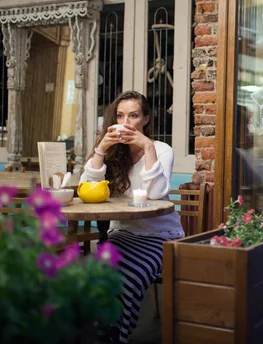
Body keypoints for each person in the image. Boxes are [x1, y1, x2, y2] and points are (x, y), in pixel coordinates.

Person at [79, 91, 184, 343]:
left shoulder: (161, 149)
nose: (126, 123)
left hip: (159, 237)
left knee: (126, 278)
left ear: (145, 119)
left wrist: (146, 145)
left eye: (133, 116)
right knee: (96, 274)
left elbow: (157, 193)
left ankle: (115, 335)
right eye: (120, 116)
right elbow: (85, 188)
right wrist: (102, 148)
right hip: (122, 233)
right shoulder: (114, 152)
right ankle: (95, 331)